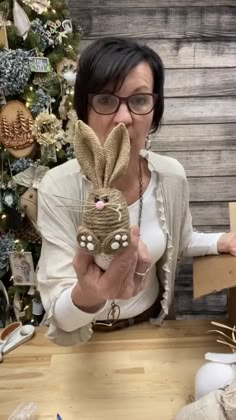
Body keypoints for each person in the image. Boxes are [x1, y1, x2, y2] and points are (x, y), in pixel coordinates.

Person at [37, 37, 236, 346]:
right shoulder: (58, 187)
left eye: (140, 100)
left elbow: (179, 239)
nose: (123, 118)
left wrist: (221, 241)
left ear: (155, 110)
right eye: (105, 100)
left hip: (151, 332)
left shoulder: (170, 176)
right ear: (83, 108)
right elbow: (59, 315)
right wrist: (91, 295)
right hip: (83, 342)